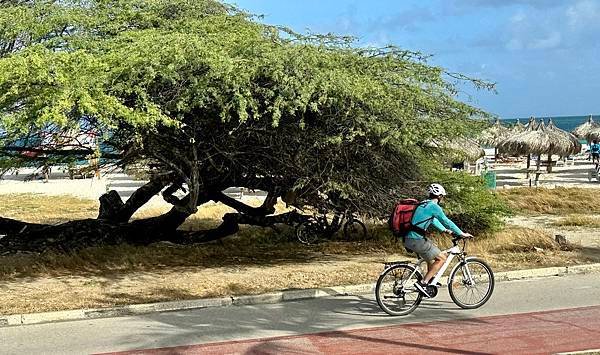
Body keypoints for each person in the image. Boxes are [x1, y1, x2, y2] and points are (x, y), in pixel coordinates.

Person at [404, 183, 473, 298]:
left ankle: (430, 280)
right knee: (442, 258)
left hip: (409, 238)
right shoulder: (434, 207)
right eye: (443, 196)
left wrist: (445, 230)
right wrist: (461, 233)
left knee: (431, 259)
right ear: (440, 196)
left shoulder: (423, 204)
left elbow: (432, 220)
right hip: (417, 240)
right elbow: (447, 221)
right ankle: (423, 283)